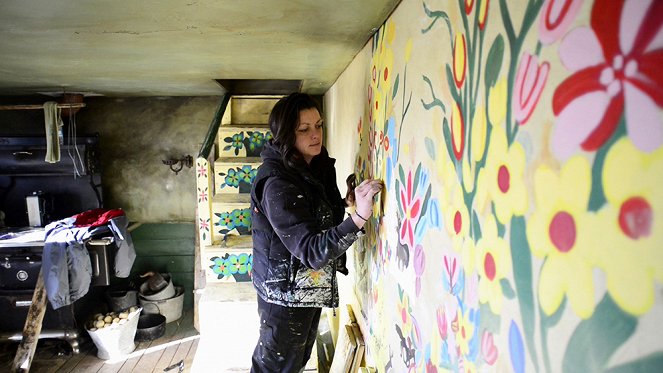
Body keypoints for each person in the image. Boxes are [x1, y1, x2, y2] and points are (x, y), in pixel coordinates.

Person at [250, 93, 382, 372]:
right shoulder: (277, 183)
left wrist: (347, 204)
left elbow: (315, 215)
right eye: (304, 129)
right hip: (283, 295)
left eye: (319, 125)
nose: (315, 135)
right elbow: (311, 250)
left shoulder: (313, 164)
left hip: (306, 287)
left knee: (295, 363)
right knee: (275, 368)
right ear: (285, 134)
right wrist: (359, 217)